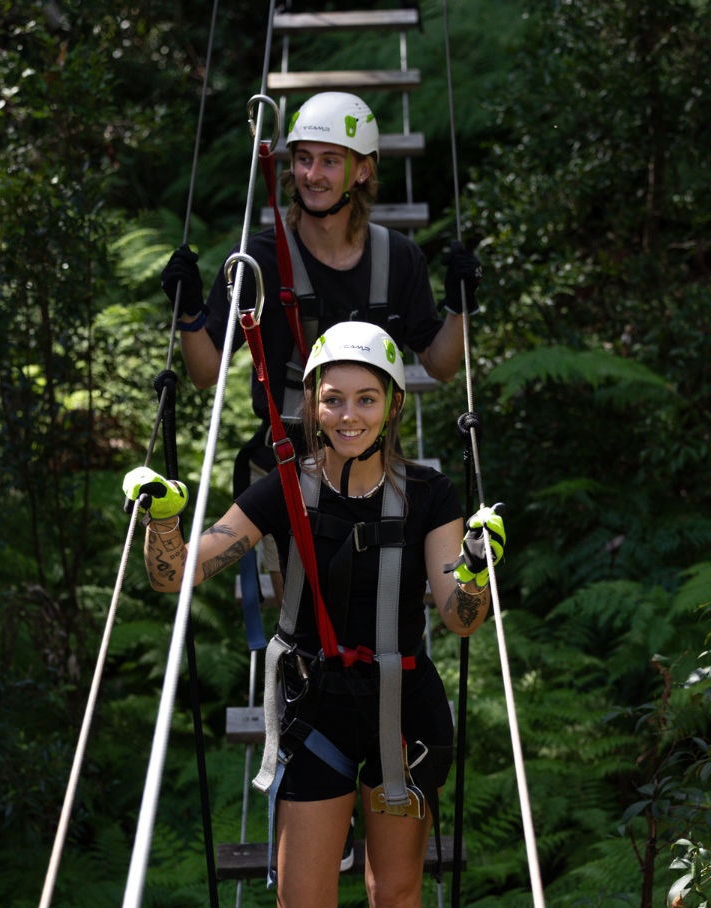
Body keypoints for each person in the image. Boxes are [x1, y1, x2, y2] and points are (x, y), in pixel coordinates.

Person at [122, 321, 505, 908]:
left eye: (367, 398)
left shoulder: (432, 495)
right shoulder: (283, 487)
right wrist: (163, 518)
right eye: (334, 398)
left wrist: (474, 565)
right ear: (312, 403)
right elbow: (181, 572)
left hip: (402, 713)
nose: (349, 414)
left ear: (394, 406)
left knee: (393, 890)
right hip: (315, 707)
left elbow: (459, 614)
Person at [159, 90, 484, 597]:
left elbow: (441, 366)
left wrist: (460, 305)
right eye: (304, 160)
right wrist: (189, 312)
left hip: (374, 467)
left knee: (376, 611)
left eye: (330, 161)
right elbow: (206, 373)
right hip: (285, 470)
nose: (312, 175)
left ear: (361, 171)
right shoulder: (259, 259)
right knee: (303, 616)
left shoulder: (398, 258)